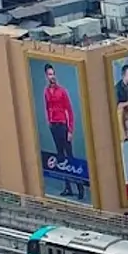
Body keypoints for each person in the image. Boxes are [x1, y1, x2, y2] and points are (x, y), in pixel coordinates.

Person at [39, 65, 80, 198]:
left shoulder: (62, 91)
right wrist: (49, 122)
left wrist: (70, 130)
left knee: (70, 156)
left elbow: (70, 111)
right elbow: (47, 107)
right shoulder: (46, 92)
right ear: (46, 76)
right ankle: (67, 187)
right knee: (60, 157)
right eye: (49, 74)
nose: (52, 77)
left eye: (53, 74)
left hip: (63, 126)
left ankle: (80, 187)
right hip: (54, 127)